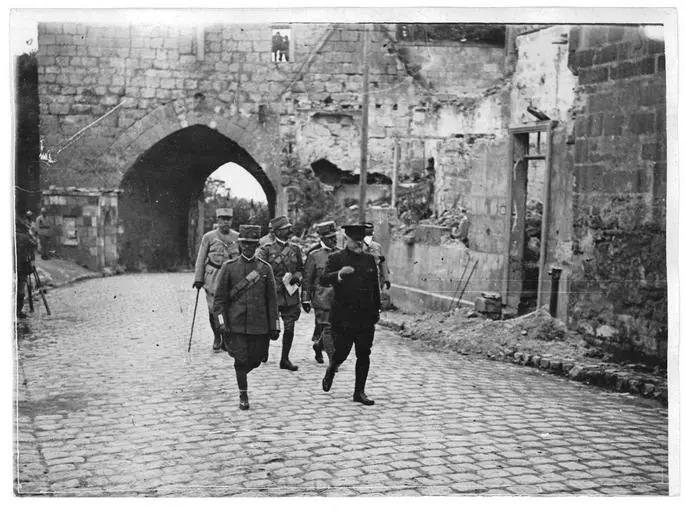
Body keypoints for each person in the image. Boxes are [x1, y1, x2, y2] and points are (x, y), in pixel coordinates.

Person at [213, 225, 280, 411]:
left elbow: (272, 301)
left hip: (259, 326)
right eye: (245, 244)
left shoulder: (265, 269)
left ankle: (241, 372)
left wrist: (275, 326)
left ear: (257, 245)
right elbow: (219, 301)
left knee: (257, 359)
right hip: (236, 325)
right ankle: (243, 393)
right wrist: (221, 324)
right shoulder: (229, 268)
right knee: (241, 360)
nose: (248, 248)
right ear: (240, 244)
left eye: (252, 244)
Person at [321, 224, 381, 406]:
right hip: (343, 316)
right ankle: (332, 367)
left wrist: (377, 309)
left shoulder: (369, 260)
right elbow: (323, 279)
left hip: (365, 316)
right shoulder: (336, 258)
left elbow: (374, 287)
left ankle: (359, 391)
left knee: (364, 353)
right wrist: (338, 274)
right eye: (354, 241)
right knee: (342, 352)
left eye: (360, 241)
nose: (358, 244)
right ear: (346, 240)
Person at [256, 215, 304, 371]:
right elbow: (259, 270)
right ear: (276, 231)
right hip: (273, 295)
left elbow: (301, 270)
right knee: (271, 329)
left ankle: (285, 359)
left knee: (289, 328)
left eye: (289, 227)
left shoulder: (295, 249)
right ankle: (263, 350)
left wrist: (297, 277)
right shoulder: (266, 250)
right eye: (285, 228)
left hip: (290, 294)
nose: (289, 230)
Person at [193, 208, 240, 352]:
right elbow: (201, 258)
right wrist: (199, 278)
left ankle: (226, 338)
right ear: (218, 220)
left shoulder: (237, 237)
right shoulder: (209, 237)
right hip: (213, 276)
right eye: (222, 219)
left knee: (229, 308)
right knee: (214, 309)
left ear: (232, 220)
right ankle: (217, 336)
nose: (226, 222)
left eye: (228, 219)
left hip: (230, 277)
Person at [302, 221, 338, 364]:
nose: (333, 240)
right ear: (322, 239)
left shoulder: (342, 253)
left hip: (339, 299)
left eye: (334, 237)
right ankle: (333, 361)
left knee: (336, 329)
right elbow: (307, 279)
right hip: (322, 299)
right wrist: (305, 299)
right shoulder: (314, 256)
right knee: (328, 328)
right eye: (330, 238)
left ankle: (318, 346)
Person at [15, 216, 37, 319]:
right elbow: (34, 245)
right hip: (22, 266)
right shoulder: (25, 237)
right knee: (21, 289)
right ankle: (18, 311)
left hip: (15, 266)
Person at [363, 222, 391, 292]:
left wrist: (386, 279)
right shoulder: (357, 246)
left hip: (376, 277)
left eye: (371, 230)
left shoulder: (377, 246)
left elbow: (383, 263)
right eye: (367, 230)